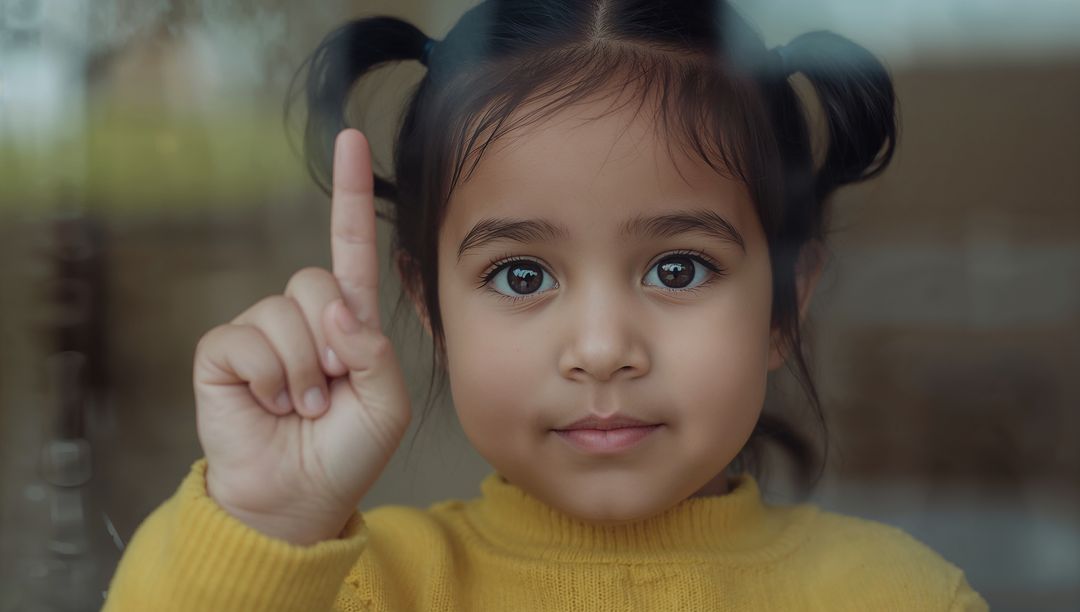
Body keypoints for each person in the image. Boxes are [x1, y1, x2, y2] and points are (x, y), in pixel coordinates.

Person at [103, 1, 989, 610]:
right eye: (522, 276)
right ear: (431, 306)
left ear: (784, 308)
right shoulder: (355, 589)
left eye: (678, 269)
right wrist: (263, 524)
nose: (602, 349)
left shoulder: (899, 596)